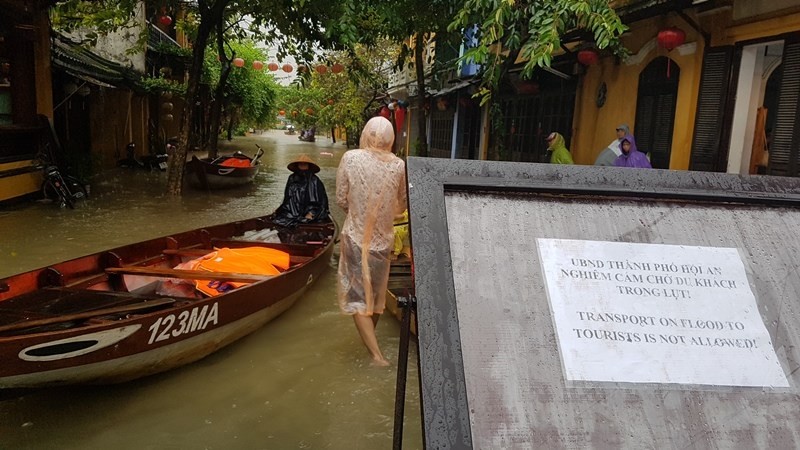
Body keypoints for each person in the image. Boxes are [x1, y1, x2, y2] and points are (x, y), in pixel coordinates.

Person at [336, 116, 407, 366]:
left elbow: (341, 198)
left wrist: (359, 214)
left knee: (358, 298)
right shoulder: (399, 165)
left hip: (356, 237)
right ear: (391, 138)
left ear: (365, 133)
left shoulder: (351, 158)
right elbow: (402, 203)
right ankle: (372, 344)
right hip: (383, 241)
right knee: (375, 298)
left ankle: (377, 357)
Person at [272, 154, 330, 227]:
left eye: (305, 164)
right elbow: (288, 197)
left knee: (310, 220)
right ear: (297, 165)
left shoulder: (314, 180)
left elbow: (318, 201)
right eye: (300, 164)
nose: (302, 165)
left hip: (309, 211)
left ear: (308, 165)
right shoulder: (292, 178)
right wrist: (280, 209)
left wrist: (311, 212)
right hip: (293, 210)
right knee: (280, 218)